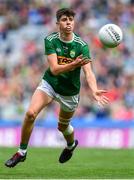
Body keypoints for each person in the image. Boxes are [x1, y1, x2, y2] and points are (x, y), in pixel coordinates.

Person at [5, 8, 109, 168]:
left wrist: (94, 89)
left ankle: (71, 145)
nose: (68, 23)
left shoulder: (81, 46)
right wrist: (73, 64)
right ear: (57, 23)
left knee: (63, 126)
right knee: (30, 113)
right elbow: (54, 69)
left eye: (71, 20)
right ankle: (21, 152)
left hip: (70, 92)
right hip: (50, 84)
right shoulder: (51, 40)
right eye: (64, 20)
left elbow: (89, 71)